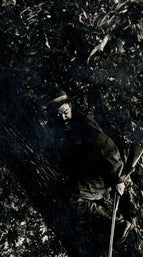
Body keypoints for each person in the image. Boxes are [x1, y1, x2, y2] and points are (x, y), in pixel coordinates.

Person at [46, 88, 134, 239]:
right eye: (58, 115)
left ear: (71, 106)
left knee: (72, 196)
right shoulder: (57, 129)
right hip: (86, 176)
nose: (63, 118)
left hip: (103, 175)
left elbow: (107, 147)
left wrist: (117, 178)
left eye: (65, 112)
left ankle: (119, 224)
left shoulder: (83, 122)